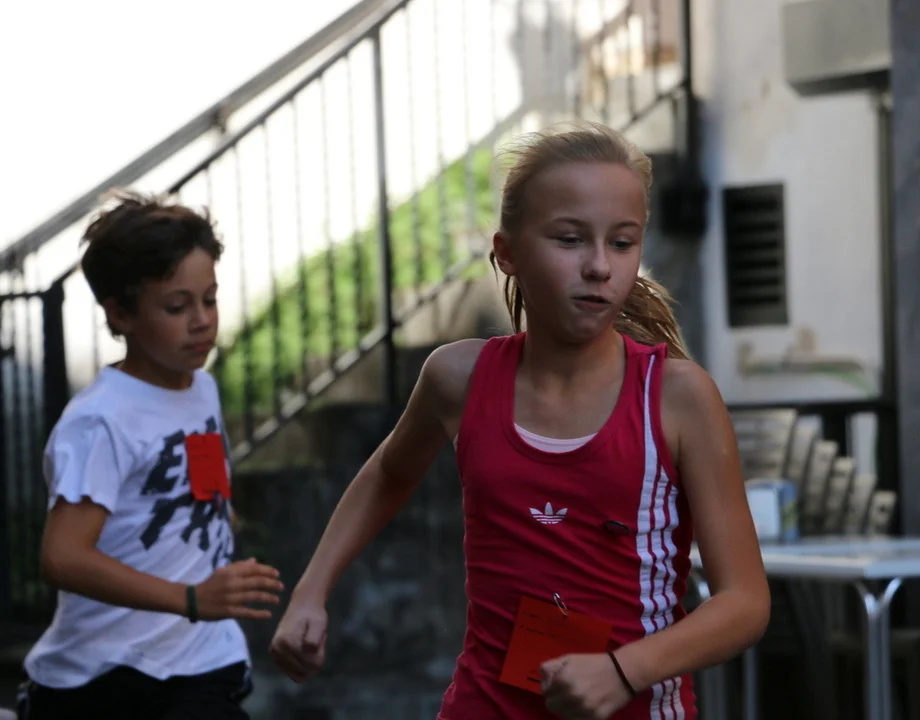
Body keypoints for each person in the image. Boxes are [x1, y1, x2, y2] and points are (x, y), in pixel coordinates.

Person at [269, 122, 770, 719]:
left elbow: (745, 602)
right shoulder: (457, 377)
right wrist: (311, 590)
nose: (599, 266)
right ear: (507, 253)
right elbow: (387, 475)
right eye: (569, 240)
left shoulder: (676, 396)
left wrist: (623, 670)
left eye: (621, 243)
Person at [15, 192, 284, 720]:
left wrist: (214, 519)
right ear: (120, 313)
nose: (202, 321)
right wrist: (191, 597)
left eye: (210, 299)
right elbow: (62, 556)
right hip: (108, 676)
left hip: (197, 661)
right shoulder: (100, 419)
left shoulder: (200, 387)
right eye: (177, 307)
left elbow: (197, 482)